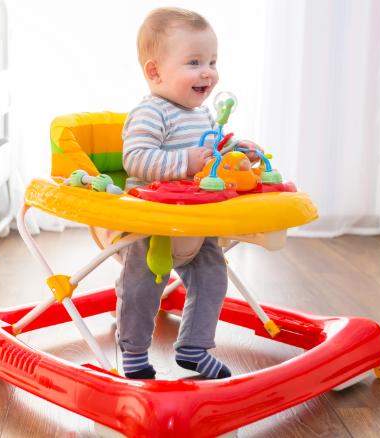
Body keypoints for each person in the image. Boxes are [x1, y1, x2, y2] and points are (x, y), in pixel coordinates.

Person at [116, 7, 261, 380]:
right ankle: (133, 351)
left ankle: (194, 348)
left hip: (195, 220)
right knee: (142, 286)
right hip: (151, 225)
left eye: (212, 61)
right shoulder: (151, 113)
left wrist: (236, 152)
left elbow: (214, 151)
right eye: (194, 62)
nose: (208, 72)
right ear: (155, 72)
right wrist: (185, 161)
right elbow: (136, 159)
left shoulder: (204, 115)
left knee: (213, 277)